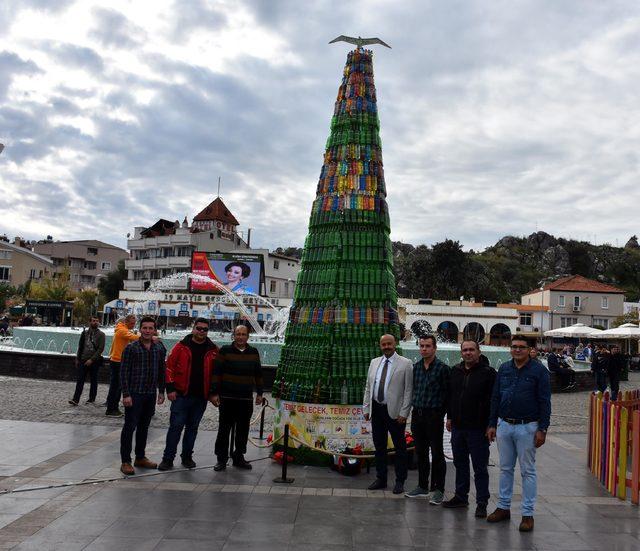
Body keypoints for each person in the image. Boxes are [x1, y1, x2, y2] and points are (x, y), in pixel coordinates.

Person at [486, 336, 551, 532]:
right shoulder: (504, 368)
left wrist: (543, 428)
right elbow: (496, 397)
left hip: (527, 427)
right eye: (514, 347)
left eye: (521, 347)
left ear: (529, 349)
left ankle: (527, 514)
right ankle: (503, 507)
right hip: (505, 425)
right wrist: (492, 424)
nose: (517, 350)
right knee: (505, 469)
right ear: (510, 349)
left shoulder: (539, 371)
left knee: (527, 471)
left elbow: (545, 401)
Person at [443, 341, 496, 518]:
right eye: (465, 350)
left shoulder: (488, 373)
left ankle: (482, 502)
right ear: (461, 352)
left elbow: (493, 401)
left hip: (478, 429)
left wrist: (491, 424)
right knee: (460, 464)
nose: (468, 353)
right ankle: (461, 496)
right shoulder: (455, 371)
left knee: (480, 467)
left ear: (478, 352)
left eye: (471, 350)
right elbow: (450, 396)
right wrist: (449, 416)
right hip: (458, 427)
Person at [158, 318, 218, 470]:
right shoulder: (181, 346)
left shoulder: (213, 350)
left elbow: (216, 374)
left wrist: (213, 393)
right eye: (199, 328)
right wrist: (170, 389)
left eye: (205, 329)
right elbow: (168, 367)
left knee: (192, 428)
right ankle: (167, 458)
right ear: (193, 329)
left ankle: (187, 457)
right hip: (181, 395)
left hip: (200, 397)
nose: (201, 331)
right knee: (175, 428)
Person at [362, 334, 413, 494]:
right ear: (380, 345)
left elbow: (408, 390)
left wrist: (404, 412)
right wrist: (366, 408)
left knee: (400, 447)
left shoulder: (405, 363)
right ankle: (381, 478)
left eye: (389, 344)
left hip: (396, 412)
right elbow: (368, 387)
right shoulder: (374, 362)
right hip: (377, 410)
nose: (386, 347)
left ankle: (400, 481)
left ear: (395, 344)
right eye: (383, 344)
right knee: (379, 446)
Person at [211, 324, 263, 471]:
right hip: (227, 398)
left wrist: (259, 393)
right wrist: (214, 393)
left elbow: (258, 374)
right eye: (238, 334)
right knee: (224, 429)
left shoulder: (253, 352)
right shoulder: (225, 351)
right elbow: (216, 373)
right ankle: (221, 459)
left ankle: (238, 456)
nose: (240, 337)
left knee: (243, 430)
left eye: (243, 334)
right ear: (233, 335)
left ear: (248, 336)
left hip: (245, 399)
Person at [404, 335, 450, 504]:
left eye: (428, 346)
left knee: (437, 454)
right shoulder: (416, 368)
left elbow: (448, 394)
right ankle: (422, 486)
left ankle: (438, 489)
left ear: (434, 348)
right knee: (421, 452)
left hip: (434, 416)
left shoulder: (442, 368)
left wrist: (444, 415)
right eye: (422, 346)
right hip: (418, 415)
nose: (424, 349)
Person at [119, 316, 166, 475]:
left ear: (155, 330)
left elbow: (161, 371)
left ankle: (140, 457)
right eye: (144, 328)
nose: (147, 331)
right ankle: (125, 461)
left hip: (150, 394)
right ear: (140, 330)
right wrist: (126, 394)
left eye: (150, 328)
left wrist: (161, 391)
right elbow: (123, 372)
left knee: (144, 427)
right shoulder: (131, 348)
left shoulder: (158, 348)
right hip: (134, 394)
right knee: (129, 427)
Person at [106, 314, 140, 417]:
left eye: (135, 323)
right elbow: (134, 338)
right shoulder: (122, 330)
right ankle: (111, 409)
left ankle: (112, 407)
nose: (134, 325)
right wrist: (147, 336)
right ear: (127, 322)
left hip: (117, 360)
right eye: (132, 323)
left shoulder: (121, 328)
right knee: (116, 387)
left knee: (116, 386)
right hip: (117, 361)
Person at [69, 316, 105, 405]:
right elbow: (80, 346)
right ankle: (75, 399)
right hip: (83, 360)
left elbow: (100, 349)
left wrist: (92, 359)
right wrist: (77, 358)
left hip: (95, 361)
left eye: (97, 321)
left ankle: (91, 398)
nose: (95, 322)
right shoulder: (84, 333)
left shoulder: (101, 335)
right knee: (80, 380)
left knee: (94, 380)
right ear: (90, 322)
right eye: (93, 321)